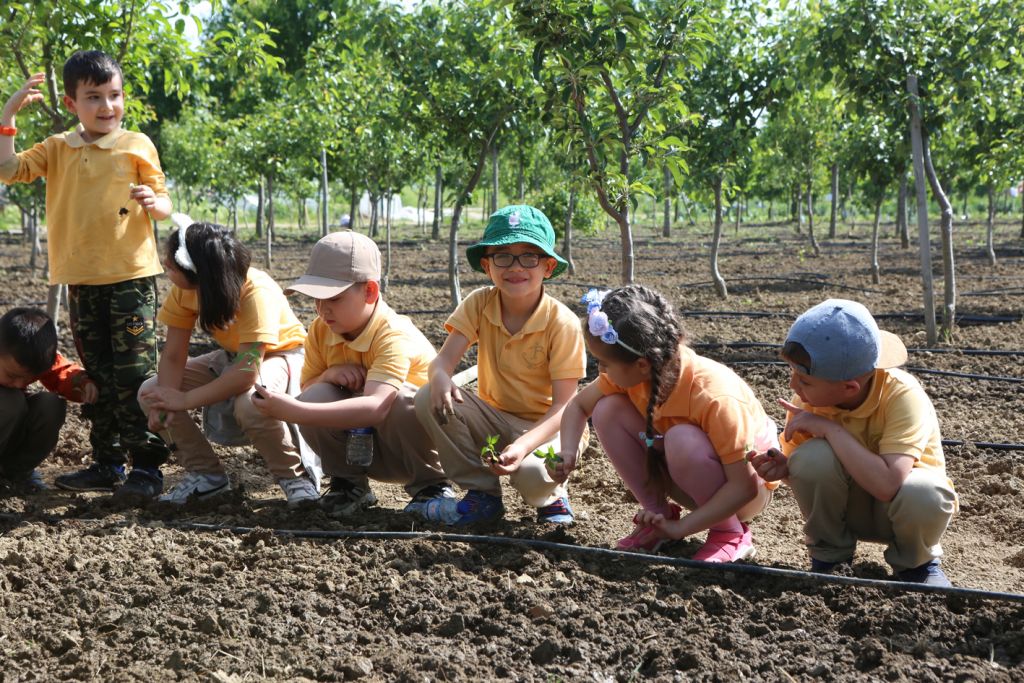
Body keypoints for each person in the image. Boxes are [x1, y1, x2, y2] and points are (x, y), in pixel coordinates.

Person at [0, 51, 172, 497]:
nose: (106, 106)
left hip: (131, 280)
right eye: (93, 97)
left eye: (114, 95)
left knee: (135, 373)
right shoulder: (58, 148)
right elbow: (9, 169)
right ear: (73, 103)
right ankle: (107, 462)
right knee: (97, 376)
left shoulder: (137, 144)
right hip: (82, 282)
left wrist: (157, 206)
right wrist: (8, 116)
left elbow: (163, 198)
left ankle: (147, 467)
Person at [556, 285, 778, 562]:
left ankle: (730, 533)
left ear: (641, 364)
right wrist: (568, 452)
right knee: (607, 409)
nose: (600, 370)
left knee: (681, 438)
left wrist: (681, 529)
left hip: (742, 495)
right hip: (686, 476)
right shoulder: (634, 373)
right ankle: (656, 516)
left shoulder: (714, 396)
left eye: (604, 363)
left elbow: (743, 487)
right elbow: (578, 406)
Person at [749, 299, 956, 586]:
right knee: (808, 458)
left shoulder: (901, 396)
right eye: (792, 373)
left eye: (805, 381)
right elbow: (809, 474)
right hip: (848, 509)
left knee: (925, 491)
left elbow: (888, 485)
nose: (793, 386)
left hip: (902, 514)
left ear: (849, 388)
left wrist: (830, 430)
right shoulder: (807, 402)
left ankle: (916, 565)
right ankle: (830, 558)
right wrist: (785, 469)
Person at [250, 230, 453, 517]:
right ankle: (349, 484)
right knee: (315, 394)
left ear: (369, 291)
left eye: (333, 298)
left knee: (400, 400)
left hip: (413, 449)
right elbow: (311, 387)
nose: (322, 309)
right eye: (316, 299)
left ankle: (432, 486)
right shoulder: (322, 329)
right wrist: (328, 376)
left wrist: (293, 411)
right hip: (365, 447)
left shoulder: (392, 333)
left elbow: (376, 408)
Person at [414, 205, 586, 526]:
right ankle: (483, 495)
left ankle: (551, 497)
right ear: (487, 265)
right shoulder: (480, 303)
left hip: (549, 425)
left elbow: (565, 406)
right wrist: (439, 378)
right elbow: (441, 363)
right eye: (503, 255)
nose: (515, 267)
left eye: (529, 256)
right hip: (494, 417)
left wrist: (521, 446)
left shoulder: (562, 323)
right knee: (428, 396)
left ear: (548, 266)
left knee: (533, 476)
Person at [137, 216, 321, 506]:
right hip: (234, 355)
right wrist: (163, 402)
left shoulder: (255, 292)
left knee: (253, 402)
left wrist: (182, 401)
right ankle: (206, 476)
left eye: (171, 265)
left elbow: (247, 372)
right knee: (150, 391)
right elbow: (173, 355)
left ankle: (294, 478)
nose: (165, 268)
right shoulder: (185, 291)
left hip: (282, 354)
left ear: (198, 271)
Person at [0, 308, 98, 490]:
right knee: (11, 402)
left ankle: (17, 472)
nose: (19, 383)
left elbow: (61, 371)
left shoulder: (32, 357)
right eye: (12, 375)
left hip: (8, 438)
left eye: (28, 378)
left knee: (50, 404)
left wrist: (82, 383)